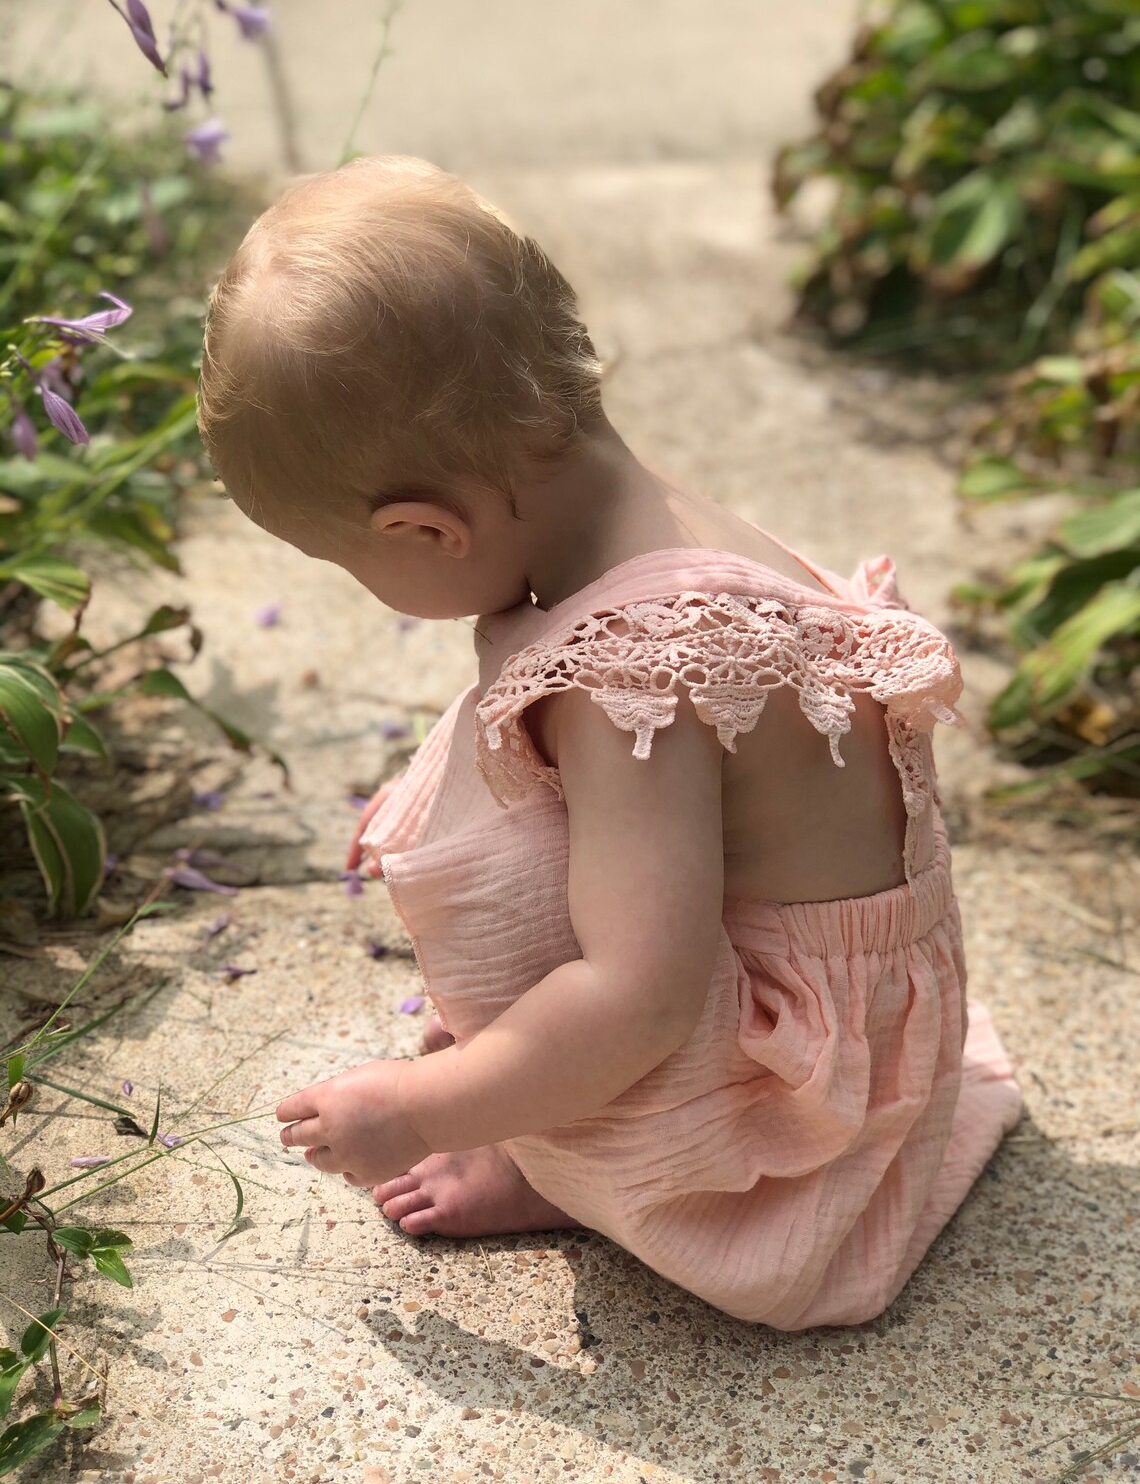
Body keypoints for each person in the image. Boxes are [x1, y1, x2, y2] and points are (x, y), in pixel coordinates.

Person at [197, 155, 1022, 1328]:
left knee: (510, 886)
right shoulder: (650, 514)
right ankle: (549, 1103)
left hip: (790, 1111)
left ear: (425, 528)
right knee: (523, 800)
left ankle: (567, 1166)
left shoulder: (628, 671)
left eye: (354, 564)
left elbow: (639, 995)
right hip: (867, 1001)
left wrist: (431, 1106)